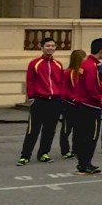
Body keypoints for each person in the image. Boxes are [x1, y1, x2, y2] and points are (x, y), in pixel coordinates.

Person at [17, 37, 66, 166]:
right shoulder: (35, 63)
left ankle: (43, 153)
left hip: (55, 101)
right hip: (40, 100)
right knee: (33, 129)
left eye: (53, 46)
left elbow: (62, 82)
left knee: (49, 130)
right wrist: (31, 97)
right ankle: (25, 155)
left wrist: (61, 98)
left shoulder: (58, 64)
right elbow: (30, 81)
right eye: (48, 46)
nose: (51, 48)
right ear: (42, 48)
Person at [72, 39, 102, 176]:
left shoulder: (85, 63)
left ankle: (83, 162)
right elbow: (92, 87)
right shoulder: (92, 66)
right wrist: (101, 100)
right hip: (91, 106)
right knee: (91, 136)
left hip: (82, 104)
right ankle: (86, 163)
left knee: (83, 135)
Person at [59, 48, 85, 160]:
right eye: (83, 58)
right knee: (66, 129)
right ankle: (65, 150)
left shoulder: (82, 72)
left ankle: (76, 149)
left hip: (80, 105)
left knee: (79, 129)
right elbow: (63, 89)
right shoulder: (67, 73)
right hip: (69, 105)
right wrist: (71, 98)